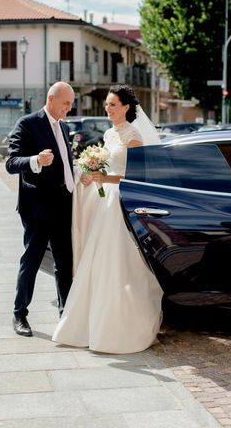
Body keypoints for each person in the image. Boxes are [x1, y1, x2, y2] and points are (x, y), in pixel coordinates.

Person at [52, 84, 163, 353]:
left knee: (119, 261)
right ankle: (92, 322)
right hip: (104, 202)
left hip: (121, 201)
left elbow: (138, 176)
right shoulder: (109, 133)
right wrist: (91, 173)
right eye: (107, 104)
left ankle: (119, 326)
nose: (108, 109)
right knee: (98, 259)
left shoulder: (134, 135)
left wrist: (106, 177)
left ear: (126, 107)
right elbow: (105, 166)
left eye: (113, 104)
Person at [6, 81, 75, 337]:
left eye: (71, 104)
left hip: (63, 207)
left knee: (64, 264)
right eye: (66, 103)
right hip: (37, 209)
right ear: (51, 98)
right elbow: (11, 162)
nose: (69, 108)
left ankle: (65, 315)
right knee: (32, 260)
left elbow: (66, 167)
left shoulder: (64, 127)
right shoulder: (27, 124)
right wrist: (36, 160)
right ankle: (19, 314)